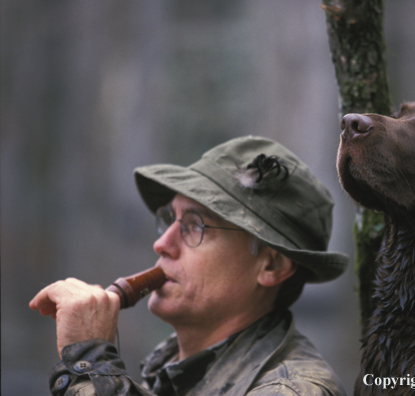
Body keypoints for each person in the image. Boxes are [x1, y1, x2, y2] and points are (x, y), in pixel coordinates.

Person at [30, 136, 350, 396]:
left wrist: (91, 364)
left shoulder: (292, 390)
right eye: (171, 219)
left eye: (196, 225)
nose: (162, 244)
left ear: (272, 265)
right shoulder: (175, 371)